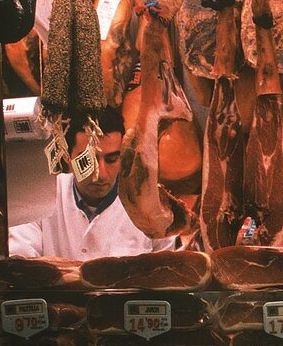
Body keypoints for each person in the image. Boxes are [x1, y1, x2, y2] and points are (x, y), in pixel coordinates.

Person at [9, 108, 179, 259]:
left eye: (112, 159)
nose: (100, 175)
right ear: (67, 157)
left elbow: (166, 271)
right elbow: (20, 256)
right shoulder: (41, 194)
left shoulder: (150, 204)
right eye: (87, 161)